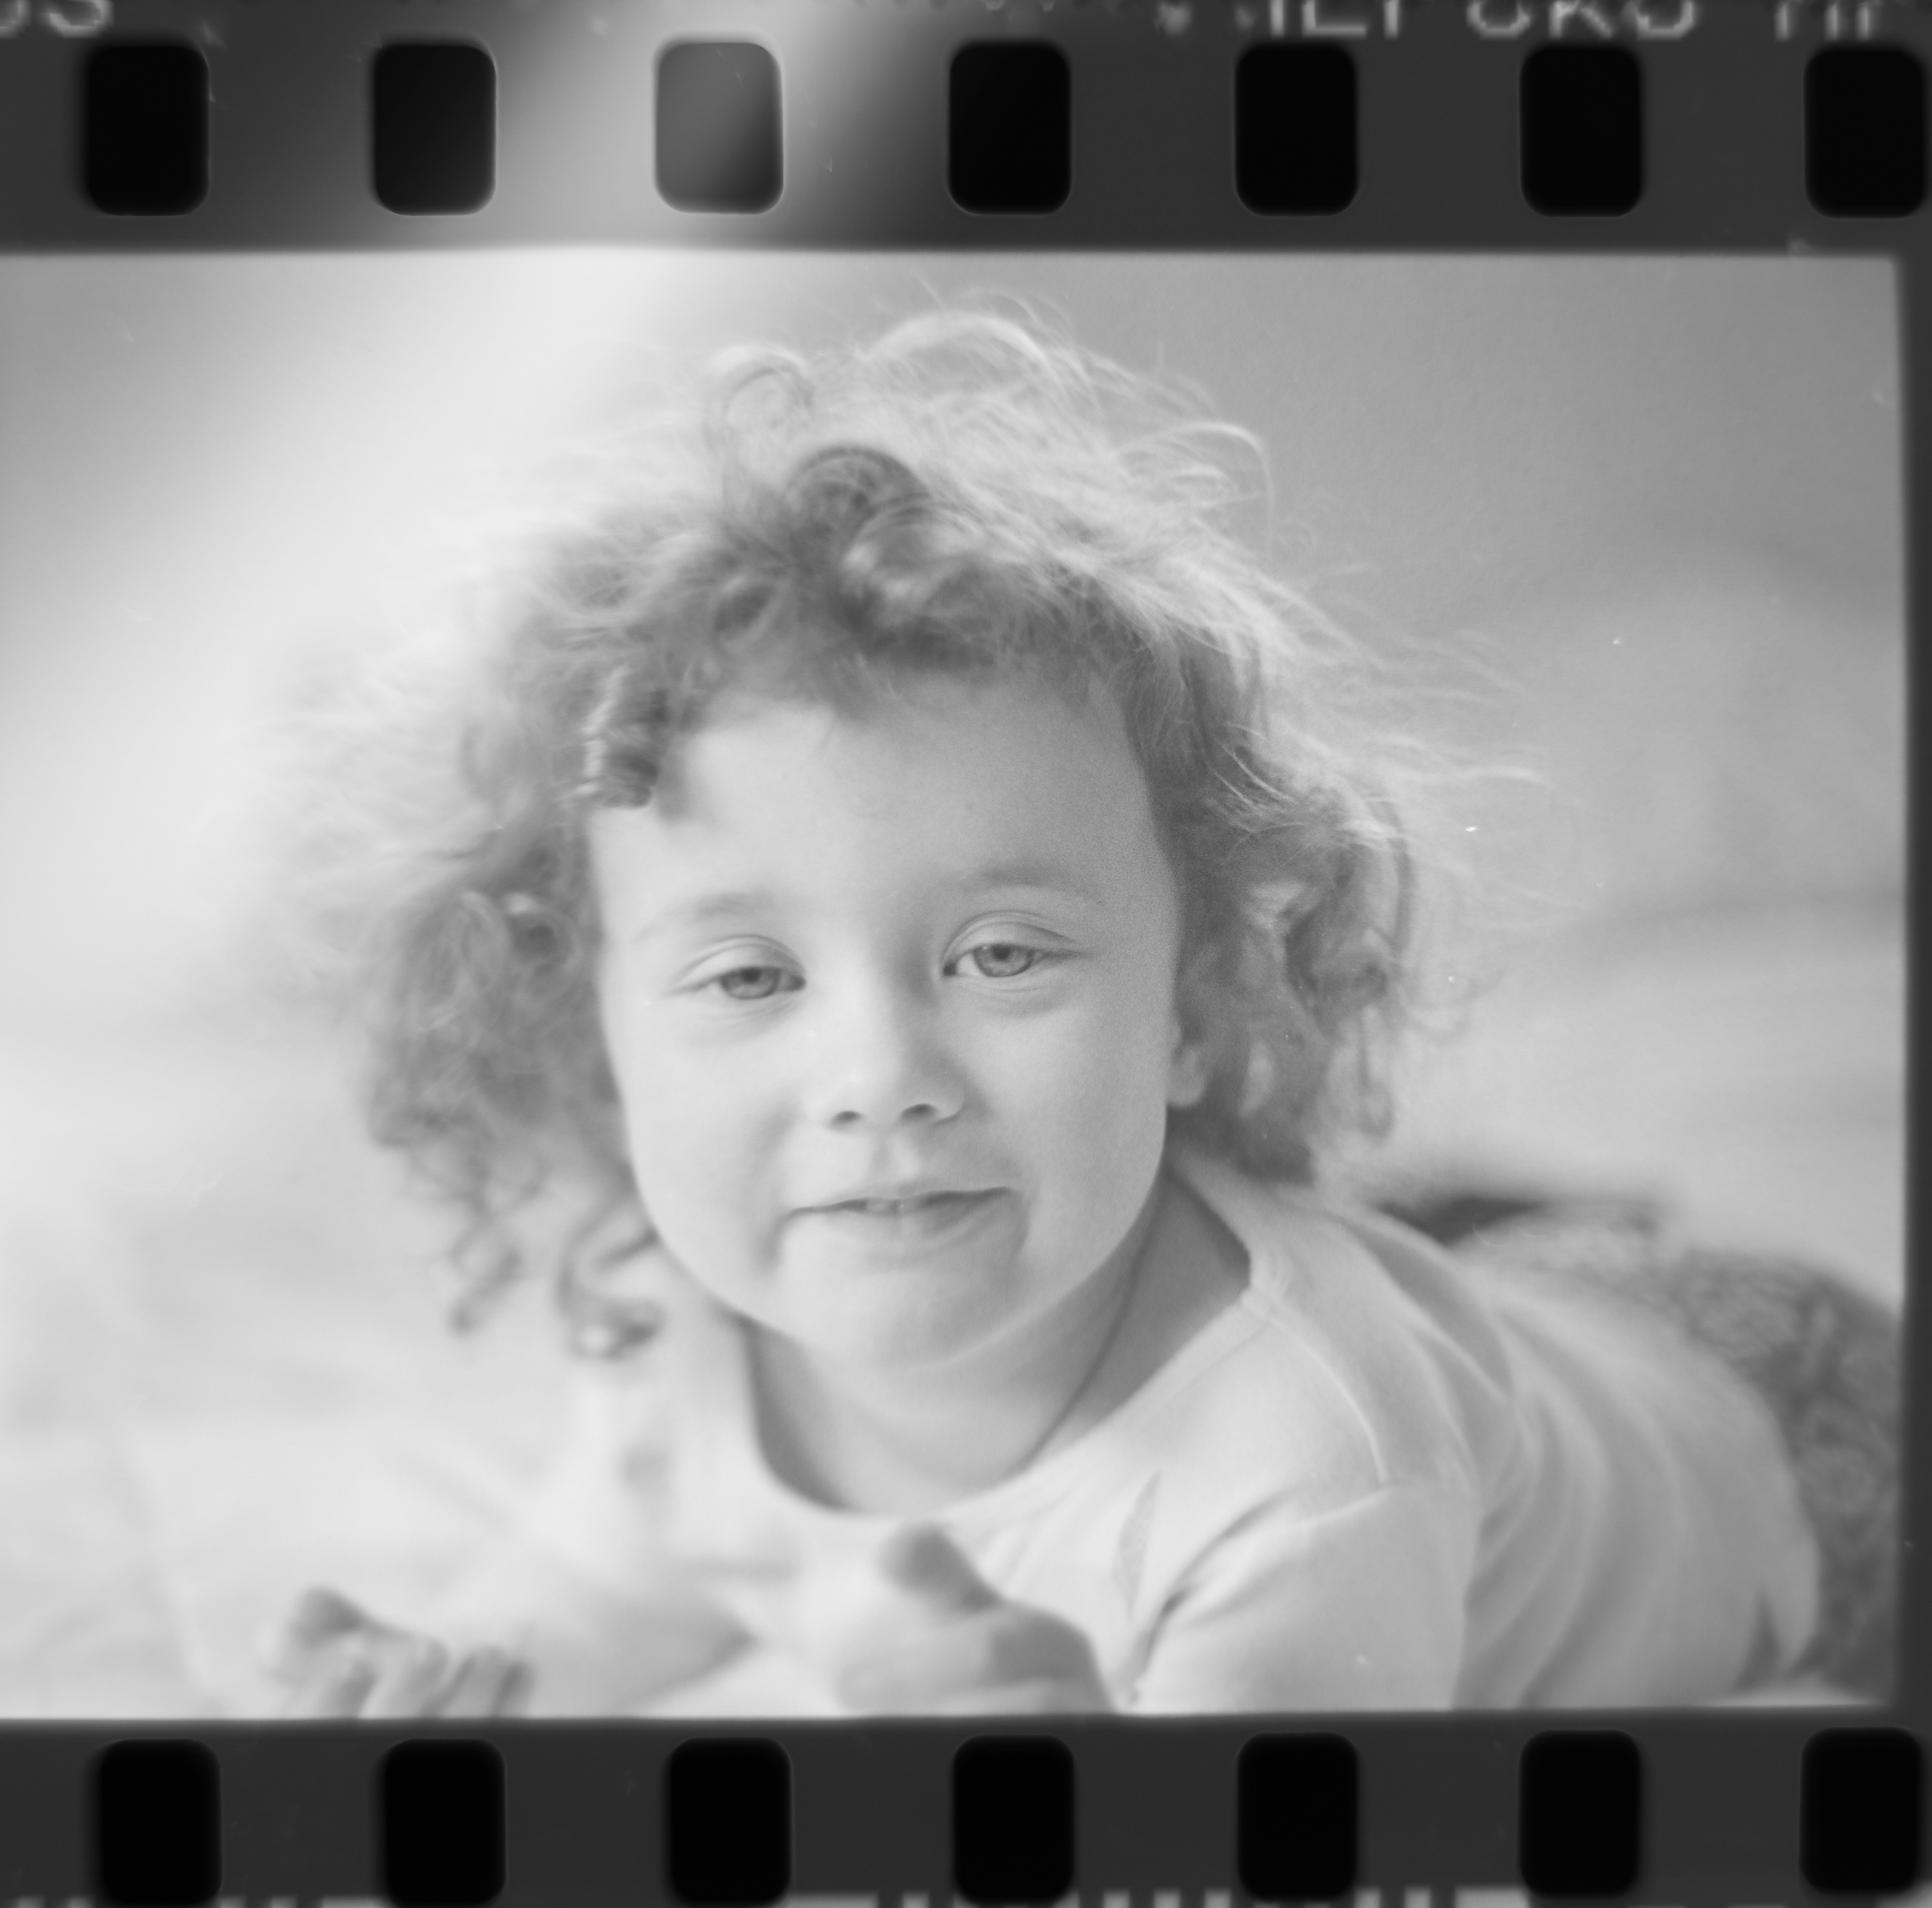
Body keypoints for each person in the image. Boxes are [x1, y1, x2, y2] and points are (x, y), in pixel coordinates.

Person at [262, 313, 1896, 1719]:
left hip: (1802, 1423)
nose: (881, 1079)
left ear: (1195, 1001)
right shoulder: (668, 1311)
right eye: (750, 977)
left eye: (1001, 955)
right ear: (595, 1046)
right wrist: (460, 1671)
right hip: (1526, 1319)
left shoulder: (1305, 1468)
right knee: (1462, 1267)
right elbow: (620, 1569)